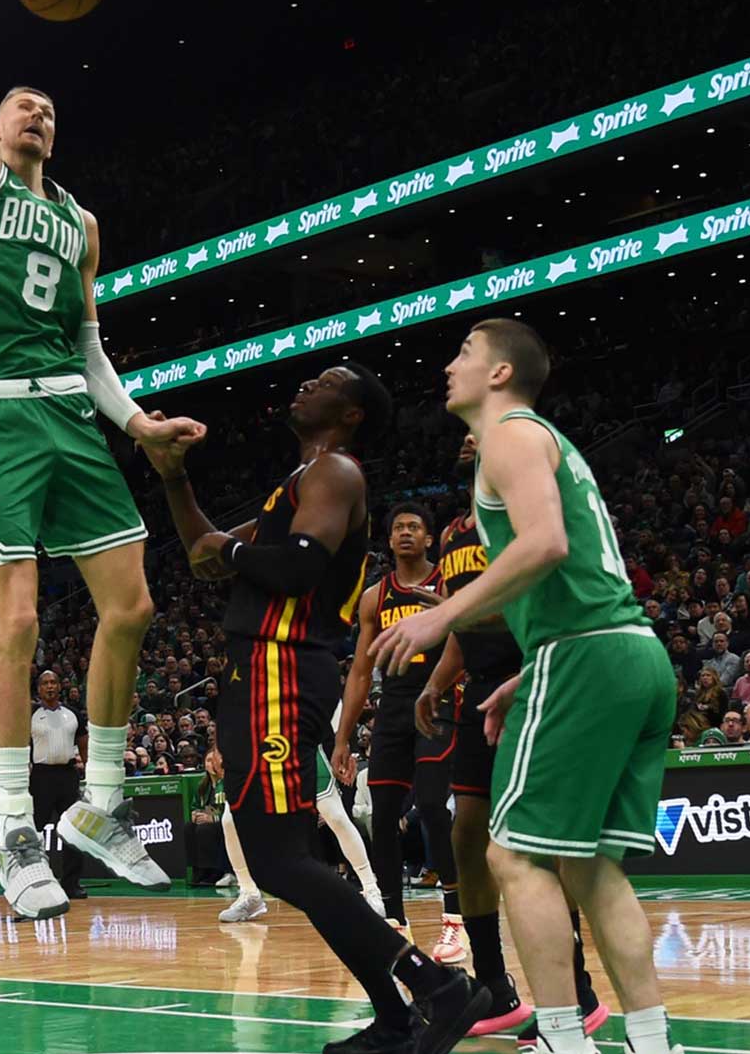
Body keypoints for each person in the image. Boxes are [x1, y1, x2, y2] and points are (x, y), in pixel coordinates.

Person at [0, 0, 199, 919]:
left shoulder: (81, 221)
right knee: (19, 623)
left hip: (72, 415)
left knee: (134, 606)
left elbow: (88, 347)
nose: (37, 115)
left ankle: (99, 808)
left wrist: (137, 424)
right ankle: (14, 833)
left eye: (50, 111)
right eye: (21, 106)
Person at [147, 363, 489, 1054]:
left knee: (280, 860)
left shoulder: (336, 472)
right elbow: (204, 559)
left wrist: (234, 548)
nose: (307, 384)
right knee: (279, 859)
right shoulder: (299, 484)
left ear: (353, 412)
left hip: (282, 667)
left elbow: (296, 566)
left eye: (328, 380)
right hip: (258, 670)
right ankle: (395, 1021)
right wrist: (174, 476)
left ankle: (436, 987)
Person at [372, 319, 680, 1054]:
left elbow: (547, 543)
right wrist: (529, 672)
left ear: (502, 373)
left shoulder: (509, 432)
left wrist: (439, 614)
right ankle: (651, 1040)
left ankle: (565, 1040)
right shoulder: (540, 440)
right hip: (629, 653)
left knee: (511, 856)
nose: (450, 366)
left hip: (588, 653)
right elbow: (574, 573)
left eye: (465, 354)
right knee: (590, 862)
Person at [417, 436, 609, 1043]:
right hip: (477, 692)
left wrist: (455, 611)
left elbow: (542, 599)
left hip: (539, 679)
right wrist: (436, 679)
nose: (470, 431)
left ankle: (577, 995)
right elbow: (462, 620)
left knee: (536, 845)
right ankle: (493, 990)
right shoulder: (451, 532)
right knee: (467, 833)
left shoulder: (529, 506)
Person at [335, 502, 464, 959]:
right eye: (398, 528)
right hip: (391, 707)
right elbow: (359, 673)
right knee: (382, 816)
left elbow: (470, 637)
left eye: (415, 527)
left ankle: (455, 918)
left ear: (430, 538)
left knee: (431, 803)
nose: (406, 533)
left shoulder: (448, 584)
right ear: (388, 540)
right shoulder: (375, 596)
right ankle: (395, 921)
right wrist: (343, 738)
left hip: (440, 698)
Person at [217, 702, 384, 924]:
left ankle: (371, 888)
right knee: (230, 820)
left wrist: (341, 744)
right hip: (258, 751)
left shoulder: (305, 670)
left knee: (335, 816)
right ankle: (249, 893)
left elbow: (333, 700)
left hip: (299, 747)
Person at [26, 670, 89, 898]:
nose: (50, 686)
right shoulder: (30, 715)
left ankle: (71, 884)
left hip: (68, 775)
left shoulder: (73, 714)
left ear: (59, 686)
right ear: (39, 689)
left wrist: (88, 768)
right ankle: (34, 881)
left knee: (73, 831)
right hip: (40, 777)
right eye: (45, 683)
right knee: (34, 831)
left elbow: (83, 741)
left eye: (53, 682)